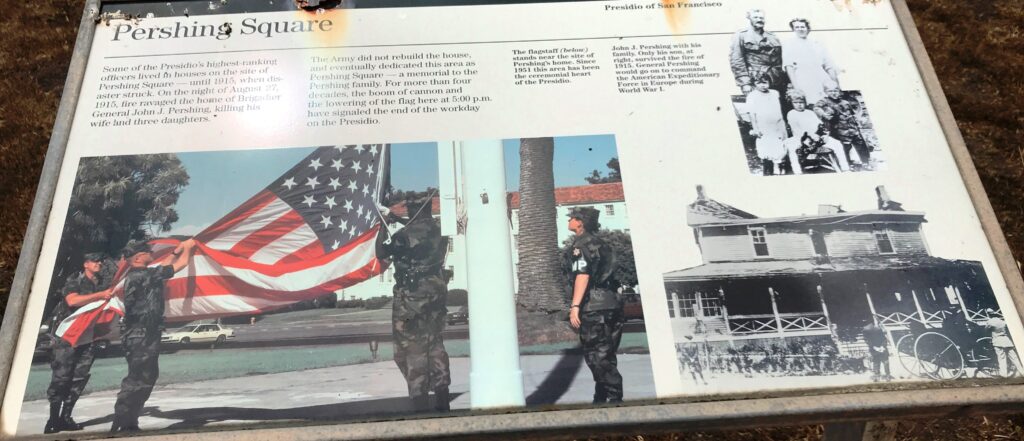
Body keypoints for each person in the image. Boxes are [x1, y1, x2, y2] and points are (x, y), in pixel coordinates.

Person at [111, 239, 197, 433]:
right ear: (139, 257)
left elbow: (165, 265)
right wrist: (189, 248)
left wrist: (177, 251)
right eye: (148, 252)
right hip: (140, 335)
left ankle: (129, 422)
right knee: (137, 378)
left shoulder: (143, 274)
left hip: (145, 334)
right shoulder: (141, 275)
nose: (152, 253)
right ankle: (121, 422)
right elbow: (179, 266)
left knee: (147, 377)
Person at [376, 196, 452, 412]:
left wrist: (382, 224)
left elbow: (381, 252)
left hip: (411, 298)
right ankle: (441, 395)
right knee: (435, 343)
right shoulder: (438, 230)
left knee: (409, 349)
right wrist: (393, 217)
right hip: (436, 293)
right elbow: (418, 229)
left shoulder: (404, 237)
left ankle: (419, 399)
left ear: (413, 212)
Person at [43, 252, 113, 434]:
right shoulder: (75, 279)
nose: (99, 263)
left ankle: (66, 417)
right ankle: (53, 420)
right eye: (95, 261)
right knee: (61, 378)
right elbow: (72, 300)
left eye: (100, 261)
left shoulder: (101, 283)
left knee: (79, 378)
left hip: (87, 337)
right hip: (67, 337)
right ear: (86, 264)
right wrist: (100, 295)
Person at [564, 206, 624, 403]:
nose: (569, 220)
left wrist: (575, 306)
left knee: (596, 355)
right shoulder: (603, 244)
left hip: (594, 306)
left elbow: (583, 275)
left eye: (572, 218)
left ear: (580, 222)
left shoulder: (580, 246)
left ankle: (615, 398)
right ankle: (602, 396)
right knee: (606, 353)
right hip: (611, 304)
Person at [782, 18, 838, 105]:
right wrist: (796, 87)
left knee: (829, 104)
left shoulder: (816, 43)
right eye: (797, 27)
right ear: (793, 29)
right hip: (803, 79)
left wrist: (834, 83)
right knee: (812, 104)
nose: (800, 29)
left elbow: (828, 64)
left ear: (808, 28)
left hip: (821, 77)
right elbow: (789, 66)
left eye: (802, 27)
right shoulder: (789, 44)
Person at [729, 9, 785, 94]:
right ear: (749, 19)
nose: (759, 20)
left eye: (761, 18)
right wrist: (745, 83)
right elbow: (737, 60)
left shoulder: (773, 37)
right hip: (754, 80)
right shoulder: (741, 35)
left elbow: (778, 62)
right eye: (755, 17)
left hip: (774, 79)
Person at [815, 81, 869, 167]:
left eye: (835, 90)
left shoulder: (845, 102)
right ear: (825, 92)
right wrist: (824, 114)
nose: (834, 93)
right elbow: (817, 108)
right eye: (830, 91)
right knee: (845, 148)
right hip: (839, 130)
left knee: (860, 144)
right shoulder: (824, 101)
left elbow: (853, 114)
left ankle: (866, 162)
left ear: (839, 91)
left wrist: (858, 121)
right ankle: (848, 163)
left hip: (853, 129)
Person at [744, 75, 788, 175]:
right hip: (763, 124)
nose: (762, 85)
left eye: (765, 82)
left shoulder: (774, 93)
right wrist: (755, 128)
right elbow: (752, 113)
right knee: (767, 146)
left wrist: (782, 124)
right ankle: (769, 166)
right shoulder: (752, 96)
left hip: (776, 123)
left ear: (769, 82)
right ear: (754, 83)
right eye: (759, 83)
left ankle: (779, 164)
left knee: (780, 144)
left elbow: (779, 110)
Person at [982, 309, 1021, 377]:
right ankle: (1022, 371)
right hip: (1007, 341)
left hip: (998, 342)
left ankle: (1004, 375)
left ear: (988, 314)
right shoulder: (1002, 321)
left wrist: (988, 321)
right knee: (1015, 359)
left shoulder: (990, 322)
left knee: (1002, 359)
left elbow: (986, 330)